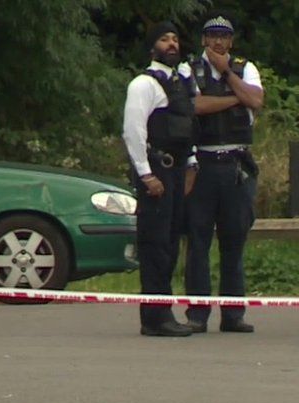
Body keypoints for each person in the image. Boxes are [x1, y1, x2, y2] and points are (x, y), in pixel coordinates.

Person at [183, 14, 264, 334]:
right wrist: (235, 99)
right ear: (203, 39)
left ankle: (233, 314)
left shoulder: (245, 68)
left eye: (224, 36)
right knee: (198, 242)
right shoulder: (190, 69)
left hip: (236, 167)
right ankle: (197, 314)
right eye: (212, 35)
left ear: (231, 41)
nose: (218, 41)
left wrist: (227, 73)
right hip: (203, 164)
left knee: (234, 241)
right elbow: (195, 106)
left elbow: (256, 99)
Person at [122, 21, 199, 337]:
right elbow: (133, 131)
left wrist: (191, 163)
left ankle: (163, 310)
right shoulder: (143, 84)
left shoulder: (182, 81)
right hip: (156, 169)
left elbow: (187, 125)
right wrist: (146, 174)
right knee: (154, 243)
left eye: (175, 39)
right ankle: (154, 316)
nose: (171, 44)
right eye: (164, 39)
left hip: (178, 169)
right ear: (153, 46)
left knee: (169, 242)